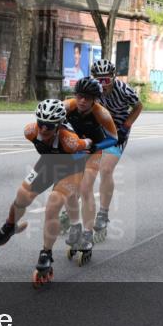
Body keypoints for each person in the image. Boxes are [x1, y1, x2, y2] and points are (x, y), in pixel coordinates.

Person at [0, 100, 95, 284]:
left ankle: (46, 254)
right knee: (22, 195)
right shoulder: (30, 131)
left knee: (53, 205)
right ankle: (9, 227)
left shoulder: (69, 140)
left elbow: (89, 144)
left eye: (48, 126)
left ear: (58, 126)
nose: (43, 129)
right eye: (40, 123)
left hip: (72, 168)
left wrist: (90, 142)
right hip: (48, 163)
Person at [61, 78, 118, 257]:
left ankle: (87, 233)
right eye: (79, 96)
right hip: (74, 150)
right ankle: (75, 225)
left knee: (86, 189)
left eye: (87, 97)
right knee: (70, 191)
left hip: (93, 152)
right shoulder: (66, 107)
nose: (82, 101)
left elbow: (113, 138)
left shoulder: (102, 114)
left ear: (95, 99)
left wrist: (95, 147)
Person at [90, 59, 142, 243]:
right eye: (99, 80)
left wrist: (127, 125)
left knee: (105, 170)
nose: (103, 85)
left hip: (117, 132)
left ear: (113, 77)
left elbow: (138, 106)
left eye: (106, 80)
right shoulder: (92, 89)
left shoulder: (124, 90)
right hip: (98, 129)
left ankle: (103, 214)